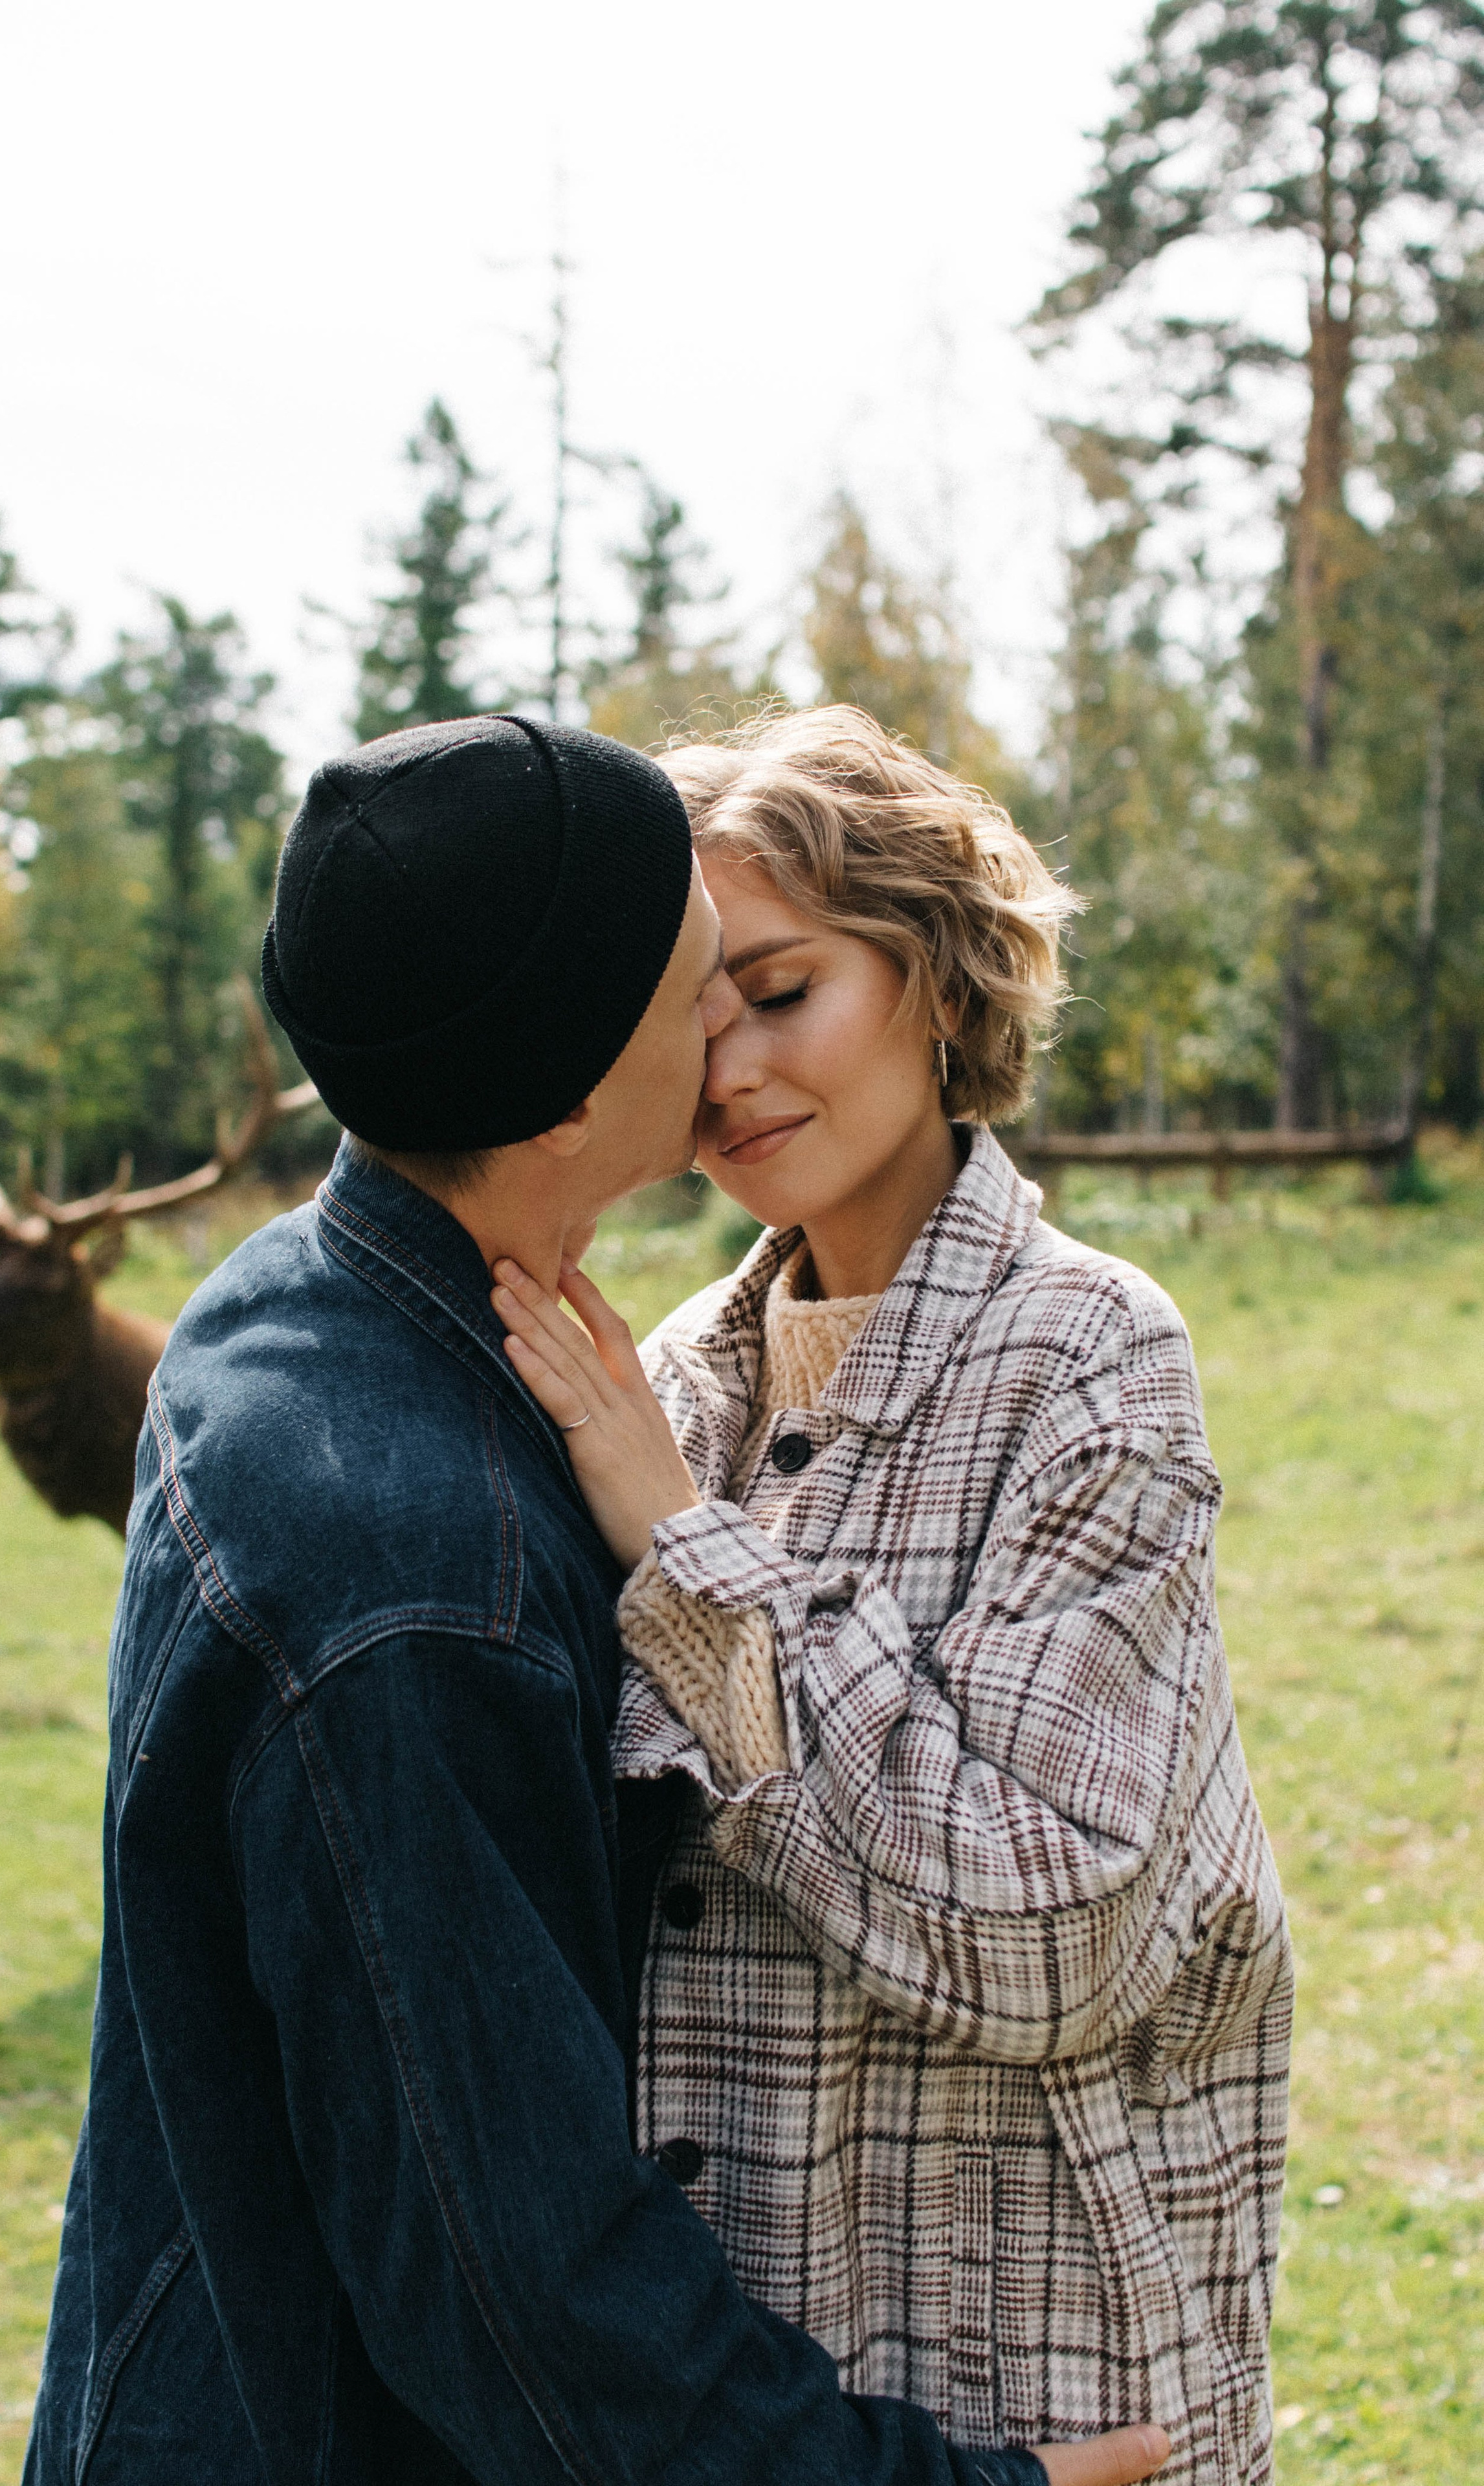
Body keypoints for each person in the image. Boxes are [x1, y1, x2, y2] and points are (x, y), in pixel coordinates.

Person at [23, 714, 1169, 2486]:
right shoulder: (411, 1573)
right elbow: (511, 2277)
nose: (726, 1043)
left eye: (762, 980)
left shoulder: (304, 1315)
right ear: (569, 1089)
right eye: (701, 981)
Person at [491, 707, 1292, 2486]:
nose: (730, 1074)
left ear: (935, 973)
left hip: (1037, 2381)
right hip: (753, 2395)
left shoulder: (1090, 1358)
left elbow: (1047, 1936)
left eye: (778, 994)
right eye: (684, 1024)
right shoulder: (672, 1374)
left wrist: (682, 1549)